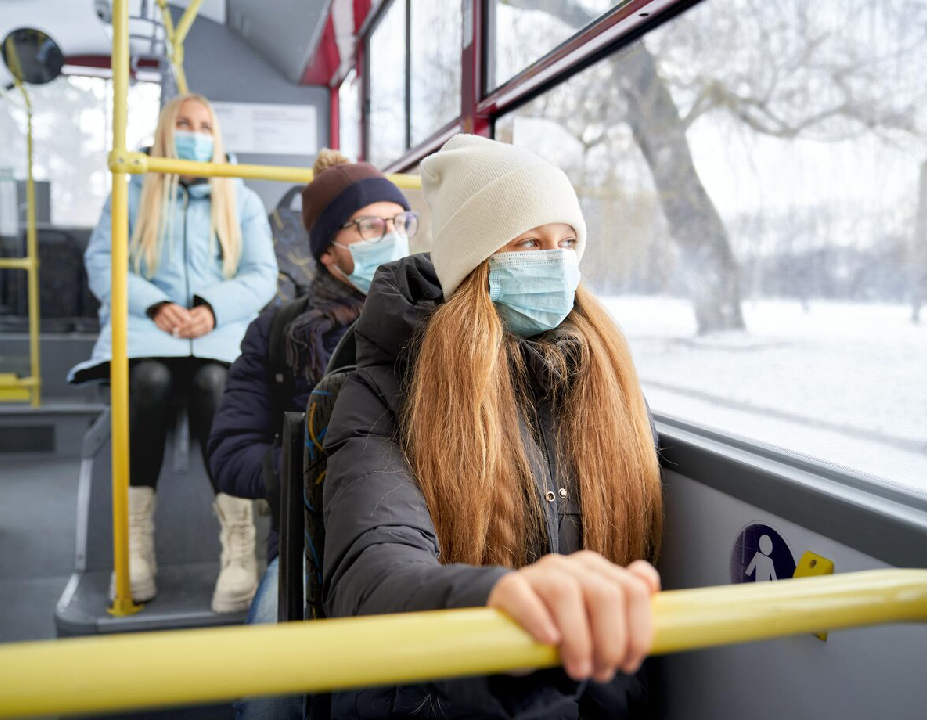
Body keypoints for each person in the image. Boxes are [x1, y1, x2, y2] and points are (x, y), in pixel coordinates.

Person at [321, 134, 664, 719]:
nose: (556, 261)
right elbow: (374, 566)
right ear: (475, 264)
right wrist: (495, 603)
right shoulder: (381, 392)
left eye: (568, 242)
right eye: (529, 242)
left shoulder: (604, 384)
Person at [207, 150, 416, 720]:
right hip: (309, 542)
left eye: (400, 223)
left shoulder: (438, 319)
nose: (391, 237)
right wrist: (314, 470)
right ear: (329, 250)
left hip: (423, 536)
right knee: (270, 693)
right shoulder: (280, 333)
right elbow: (229, 454)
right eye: (371, 226)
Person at [68, 93, 278, 613]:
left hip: (217, 332)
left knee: (214, 385)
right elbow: (105, 263)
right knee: (150, 383)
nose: (194, 134)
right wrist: (156, 304)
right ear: (164, 132)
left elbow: (260, 276)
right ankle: (135, 544)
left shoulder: (242, 200)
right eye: (183, 124)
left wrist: (211, 309)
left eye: (205, 125)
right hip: (149, 331)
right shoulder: (133, 191)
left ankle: (238, 545)